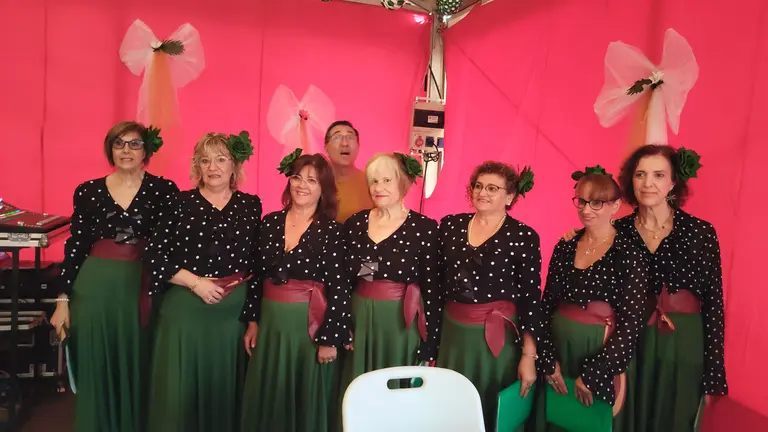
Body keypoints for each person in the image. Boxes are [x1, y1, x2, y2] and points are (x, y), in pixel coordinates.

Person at [561, 145, 727, 431]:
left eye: (658, 175)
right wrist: (577, 239)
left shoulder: (700, 232)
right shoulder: (615, 231)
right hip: (628, 340)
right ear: (631, 180)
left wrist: (714, 371)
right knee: (627, 418)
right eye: (640, 174)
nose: (648, 183)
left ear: (673, 182)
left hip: (682, 342)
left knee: (674, 418)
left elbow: (714, 304)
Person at [48, 121, 177, 432]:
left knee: (142, 362)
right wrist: (62, 301)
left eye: (134, 143)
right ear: (110, 150)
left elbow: (170, 247)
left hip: (142, 287)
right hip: (94, 289)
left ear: (146, 151)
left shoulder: (164, 190)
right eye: (119, 144)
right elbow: (76, 247)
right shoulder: (88, 191)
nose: (126, 150)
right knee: (97, 363)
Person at [144, 131, 261, 432]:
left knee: (225, 389)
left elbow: (256, 264)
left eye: (221, 159)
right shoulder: (178, 202)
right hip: (186, 306)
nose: (213, 167)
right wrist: (195, 283)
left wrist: (253, 317)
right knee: (181, 391)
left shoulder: (251, 205)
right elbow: (154, 256)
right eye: (205, 160)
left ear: (234, 165)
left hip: (233, 313)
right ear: (197, 166)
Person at [240, 150, 349, 432]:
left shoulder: (332, 231)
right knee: (269, 394)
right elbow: (256, 276)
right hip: (271, 324)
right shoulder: (270, 222)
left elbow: (340, 288)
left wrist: (330, 338)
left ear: (323, 189)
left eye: (312, 181)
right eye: (297, 178)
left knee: (304, 398)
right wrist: (253, 321)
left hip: (308, 328)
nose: (302, 185)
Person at [534, 166, 648, 432]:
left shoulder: (629, 254)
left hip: (600, 353)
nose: (586, 209)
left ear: (615, 206)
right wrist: (548, 359)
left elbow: (631, 323)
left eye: (597, 203)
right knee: (556, 418)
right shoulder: (565, 246)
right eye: (582, 201)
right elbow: (547, 304)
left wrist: (595, 373)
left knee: (591, 422)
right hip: (559, 350)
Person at [436, 161, 540, 432]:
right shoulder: (450, 226)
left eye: (493, 188)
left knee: (491, 410)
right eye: (479, 186)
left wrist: (529, 355)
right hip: (453, 335)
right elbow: (436, 285)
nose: (482, 193)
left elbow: (531, 299)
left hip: (495, 341)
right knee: (449, 406)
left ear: (510, 196)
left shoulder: (523, 236)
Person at [339, 152, 442, 392]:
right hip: (359, 316)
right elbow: (344, 276)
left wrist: (431, 343)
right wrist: (342, 322)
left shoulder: (424, 227)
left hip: (400, 322)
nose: (378, 187)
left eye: (387, 180)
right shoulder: (355, 223)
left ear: (403, 184)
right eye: (374, 181)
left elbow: (433, 289)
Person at [323, 120, 373, 222]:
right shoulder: (316, 181)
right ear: (326, 148)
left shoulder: (372, 182)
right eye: (337, 137)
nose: (345, 143)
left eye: (350, 137)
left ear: (358, 146)